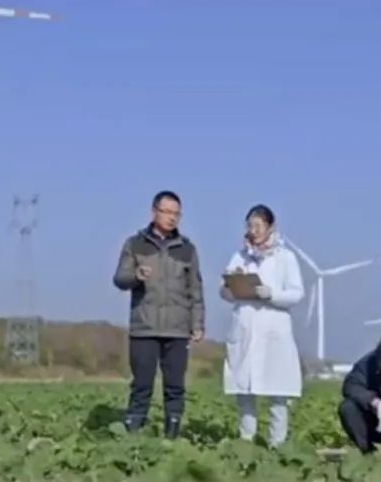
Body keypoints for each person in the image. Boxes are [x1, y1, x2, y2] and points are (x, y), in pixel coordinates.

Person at [112, 190, 205, 439]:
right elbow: (119, 279)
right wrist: (136, 276)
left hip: (177, 328)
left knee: (175, 386)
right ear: (154, 212)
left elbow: (195, 289)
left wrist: (197, 323)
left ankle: (172, 436)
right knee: (142, 385)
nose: (171, 218)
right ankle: (133, 434)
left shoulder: (187, 249)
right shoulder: (135, 244)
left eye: (176, 213)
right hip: (144, 327)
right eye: (167, 212)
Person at [220, 204, 305, 447]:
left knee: (278, 392)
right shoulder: (239, 256)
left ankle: (277, 444)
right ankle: (246, 442)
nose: (253, 231)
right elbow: (224, 292)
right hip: (244, 328)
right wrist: (230, 287)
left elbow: (297, 294)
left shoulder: (285, 257)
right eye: (250, 226)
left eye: (258, 226)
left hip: (273, 331)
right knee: (244, 392)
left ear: (270, 227)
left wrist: (271, 294)